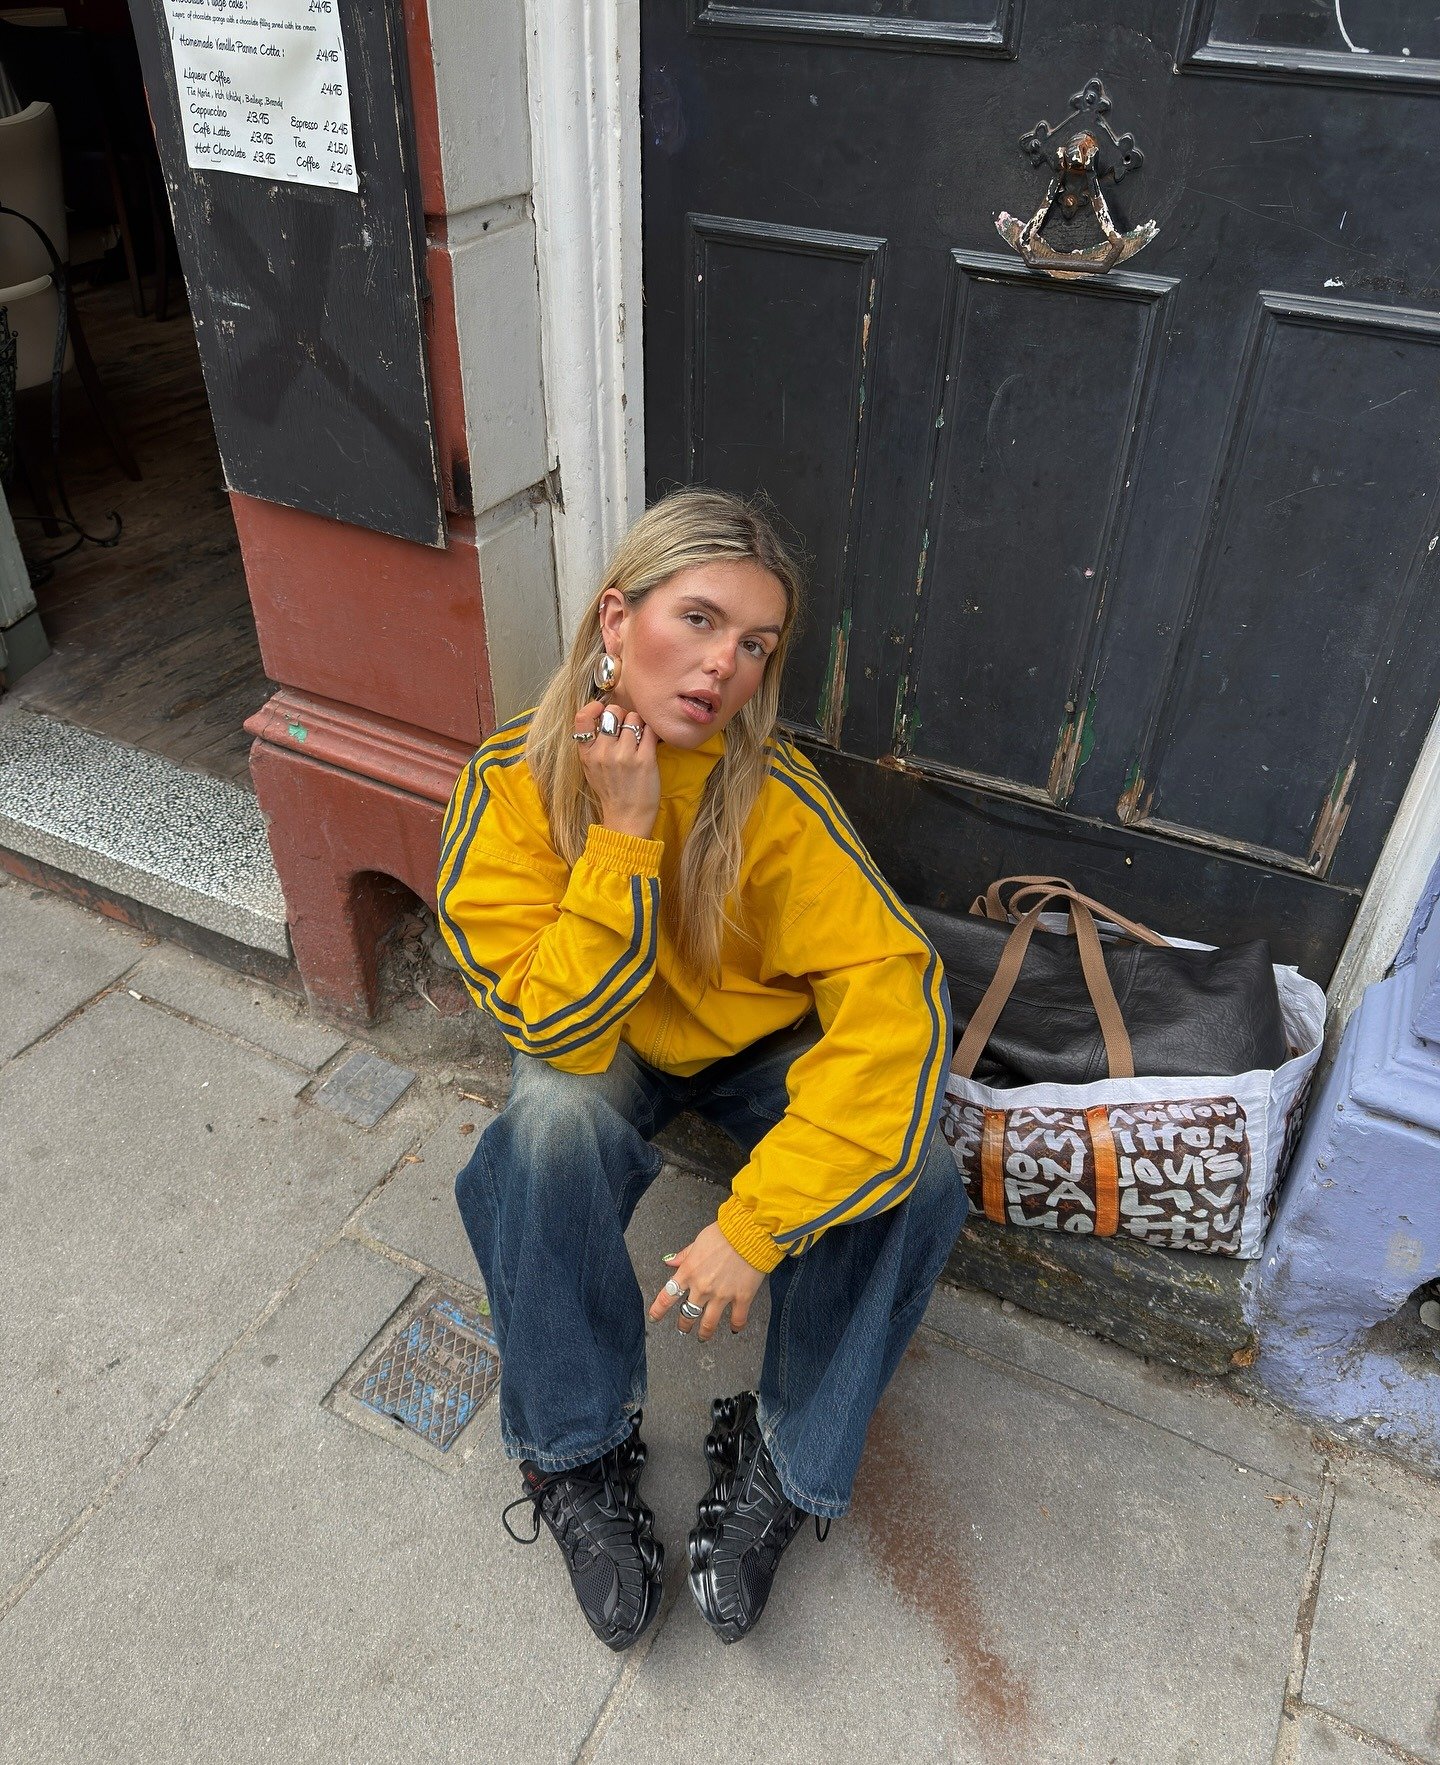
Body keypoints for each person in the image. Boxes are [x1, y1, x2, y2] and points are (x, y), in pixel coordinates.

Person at [438, 486, 966, 1651]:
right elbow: (557, 1028)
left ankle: (780, 1455)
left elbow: (896, 992)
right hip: (608, 1033)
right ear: (617, 620)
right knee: (546, 1127)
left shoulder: (773, 798)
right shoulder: (513, 786)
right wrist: (623, 835)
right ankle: (575, 1451)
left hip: (755, 1047)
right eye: (701, 619)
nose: (725, 665)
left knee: (919, 1171)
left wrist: (759, 1222)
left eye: (756, 645)